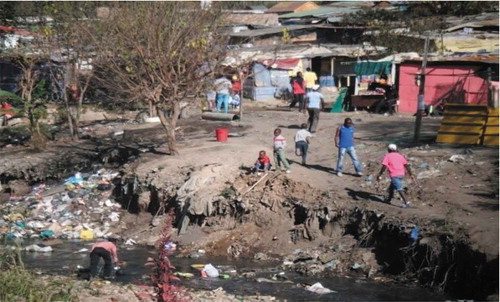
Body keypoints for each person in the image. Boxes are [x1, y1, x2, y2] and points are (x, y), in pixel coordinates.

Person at [376, 144, 415, 208]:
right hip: (401, 174)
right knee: (392, 187)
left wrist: (379, 174)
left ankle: (406, 202)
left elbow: (384, 166)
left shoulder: (387, 156)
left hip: (394, 175)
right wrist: (411, 174)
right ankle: (389, 199)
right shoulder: (400, 156)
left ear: (388, 150)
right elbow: (406, 165)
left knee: (399, 188)